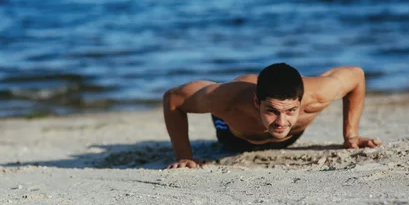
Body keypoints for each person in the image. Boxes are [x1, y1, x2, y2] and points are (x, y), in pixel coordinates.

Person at [162, 63, 382, 169]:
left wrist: (351, 134)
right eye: (272, 111)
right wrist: (184, 155)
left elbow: (356, 76)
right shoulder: (226, 99)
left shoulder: (318, 95)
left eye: (290, 111)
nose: (281, 122)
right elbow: (173, 99)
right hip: (235, 134)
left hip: (291, 137)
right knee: (238, 85)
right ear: (257, 102)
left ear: (300, 102)